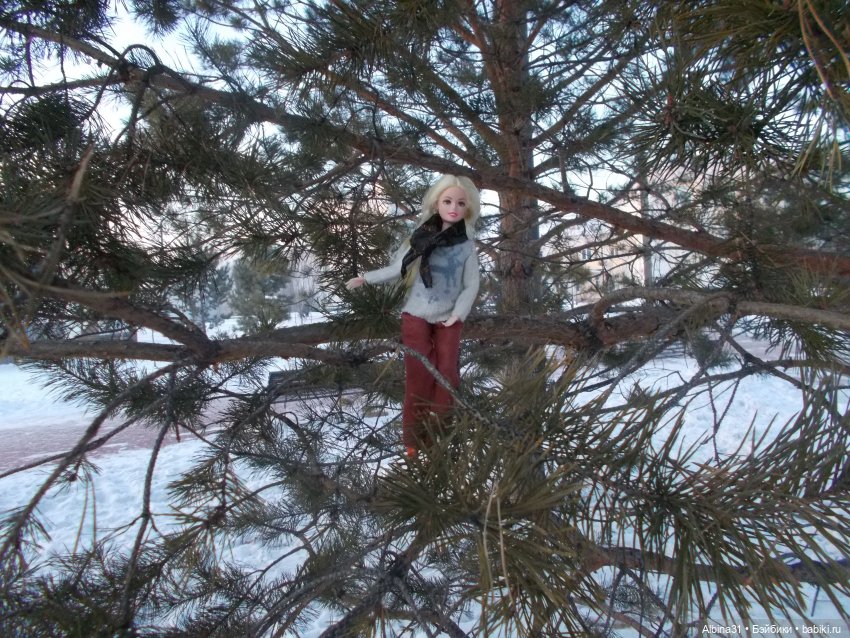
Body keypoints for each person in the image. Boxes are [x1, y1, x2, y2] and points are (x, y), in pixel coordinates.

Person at [346, 174, 481, 458]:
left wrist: (458, 314)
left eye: (460, 203)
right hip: (415, 313)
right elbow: (396, 269)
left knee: (447, 374)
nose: (453, 207)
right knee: (417, 374)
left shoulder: (466, 246)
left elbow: (472, 285)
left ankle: (440, 434)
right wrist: (366, 278)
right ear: (436, 204)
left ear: (468, 208)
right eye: (447, 201)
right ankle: (413, 440)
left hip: (449, 317)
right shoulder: (419, 238)